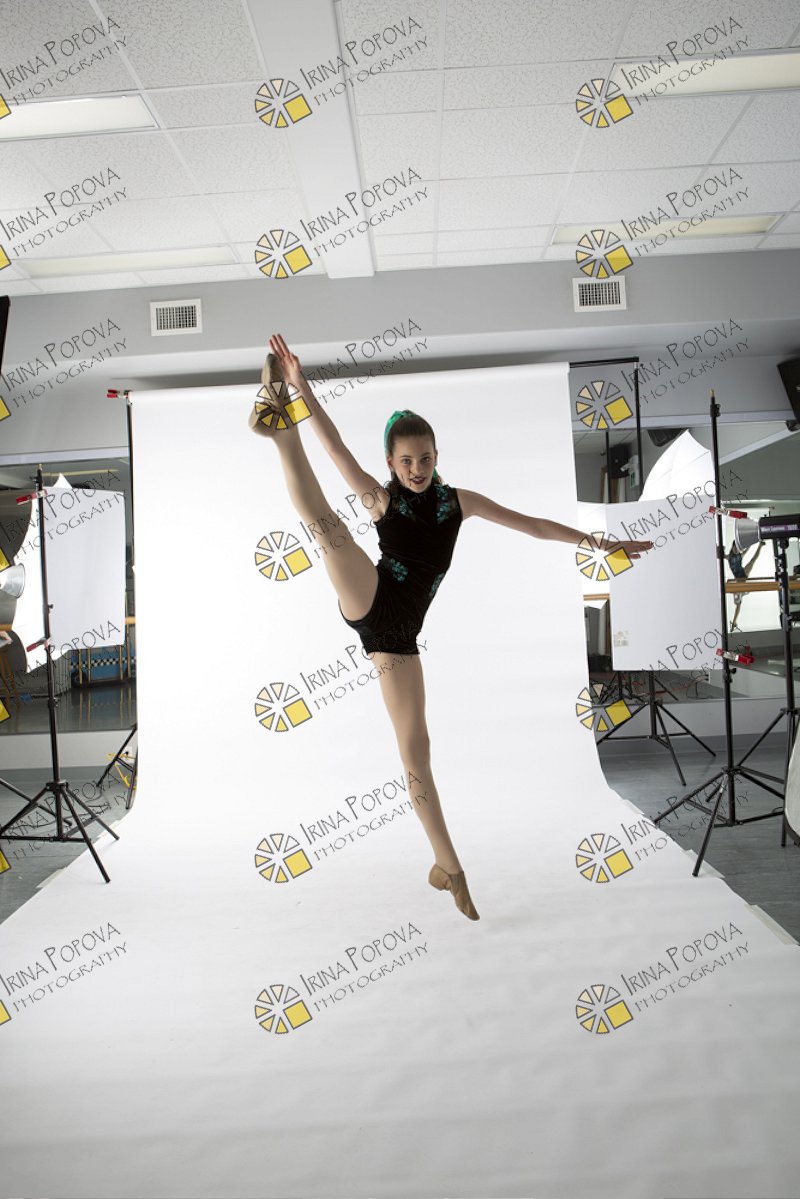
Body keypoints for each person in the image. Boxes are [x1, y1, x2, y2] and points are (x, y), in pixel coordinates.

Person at [249, 333, 653, 921]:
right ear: (391, 463)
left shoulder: (459, 503)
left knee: (417, 756)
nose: (416, 469)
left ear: (437, 456)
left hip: (397, 639)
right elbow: (334, 446)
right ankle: (280, 424)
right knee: (326, 526)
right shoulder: (381, 499)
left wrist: (598, 542)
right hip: (372, 596)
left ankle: (448, 866)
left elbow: (534, 525)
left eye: (425, 459)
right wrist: (300, 386)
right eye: (406, 461)